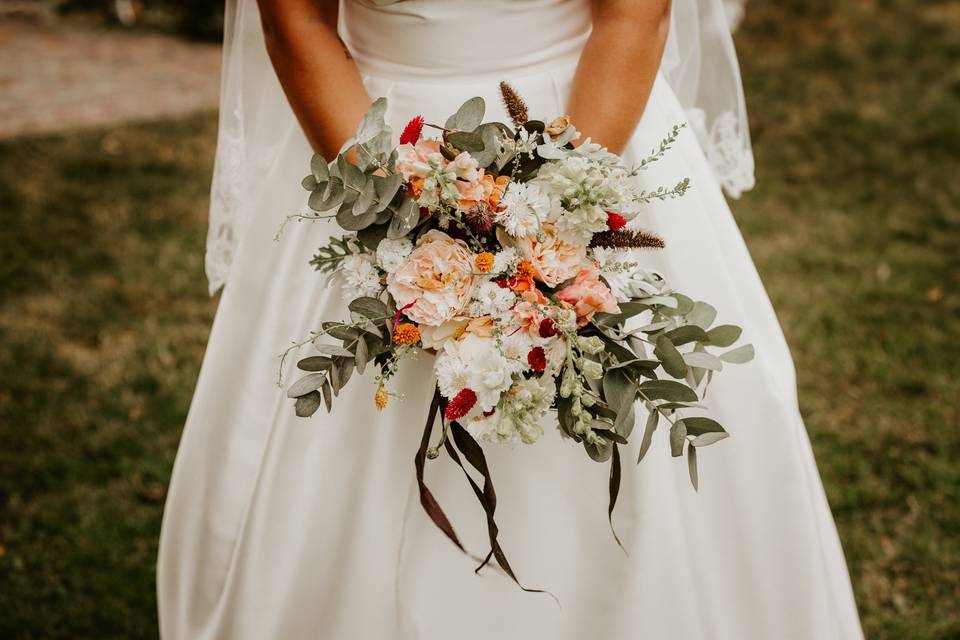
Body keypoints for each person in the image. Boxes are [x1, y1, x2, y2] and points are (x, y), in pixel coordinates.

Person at [158, 1, 863, 637]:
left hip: (590, 118)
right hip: (368, 137)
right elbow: (294, 20)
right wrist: (400, 221)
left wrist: (547, 229)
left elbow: (636, 15)